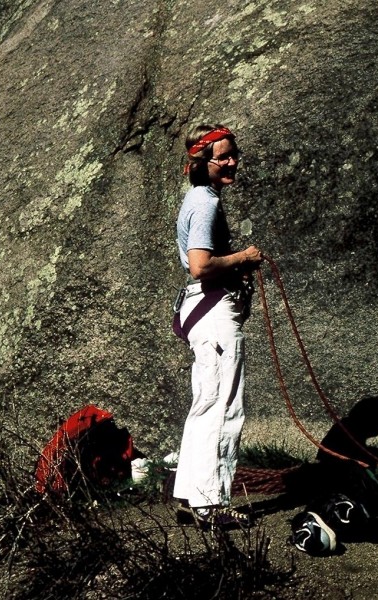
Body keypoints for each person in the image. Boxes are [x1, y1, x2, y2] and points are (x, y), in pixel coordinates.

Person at [172, 124, 263, 526]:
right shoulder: (206, 203)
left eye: (233, 153)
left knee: (206, 403)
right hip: (214, 312)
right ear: (201, 163)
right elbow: (199, 266)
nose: (231, 162)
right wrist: (243, 257)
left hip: (203, 313)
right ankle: (212, 506)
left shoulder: (199, 198)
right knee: (224, 405)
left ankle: (193, 497)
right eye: (222, 156)